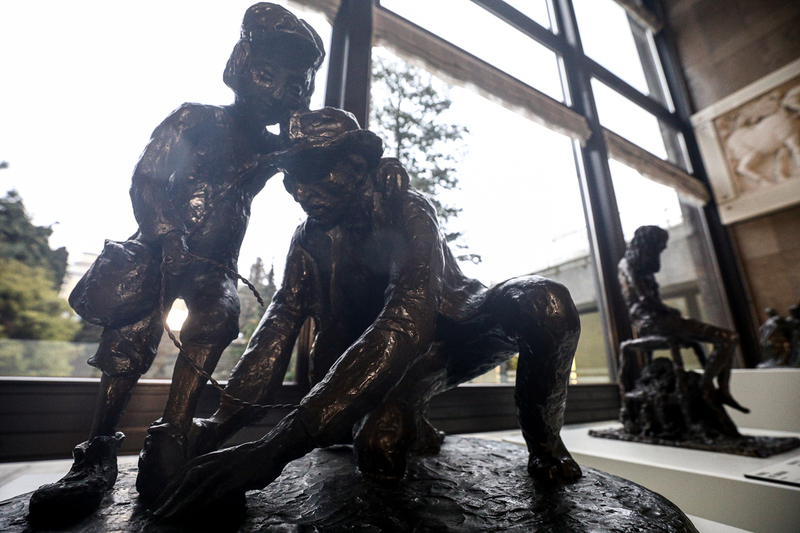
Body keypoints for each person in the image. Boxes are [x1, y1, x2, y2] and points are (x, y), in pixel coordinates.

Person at [151, 107, 583, 520]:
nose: (302, 193)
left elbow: (407, 321)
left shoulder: (407, 209)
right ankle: (407, 415)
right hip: (382, 360)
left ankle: (545, 445)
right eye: (293, 180)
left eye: (317, 174)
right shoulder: (308, 240)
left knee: (546, 305)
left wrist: (273, 450)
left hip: (452, 334)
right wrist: (219, 425)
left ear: (357, 165)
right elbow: (277, 329)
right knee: (378, 446)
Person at [28, 3, 325, 526]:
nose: (282, 88)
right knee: (127, 342)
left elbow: (316, 162)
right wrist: (167, 234)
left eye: (298, 83)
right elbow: (146, 177)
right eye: (268, 72)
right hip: (156, 254)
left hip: (215, 266)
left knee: (216, 322)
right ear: (241, 64)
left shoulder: (274, 147)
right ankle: (96, 453)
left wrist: (314, 139)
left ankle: (172, 441)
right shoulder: (197, 117)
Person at [617, 225, 747, 414]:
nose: (662, 249)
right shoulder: (628, 264)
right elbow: (645, 298)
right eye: (660, 245)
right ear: (649, 243)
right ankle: (707, 386)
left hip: (658, 320)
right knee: (728, 338)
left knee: (727, 339)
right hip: (653, 323)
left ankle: (720, 389)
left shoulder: (640, 266)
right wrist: (670, 310)